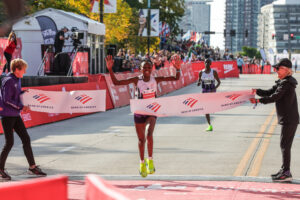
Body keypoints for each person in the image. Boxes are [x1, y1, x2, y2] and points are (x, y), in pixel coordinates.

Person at [106, 54, 181, 178]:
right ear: (140, 69)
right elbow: (116, 82)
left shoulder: (155, 79)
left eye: (148, 67)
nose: (146, 69)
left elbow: (175, 78)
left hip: (151, 111)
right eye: (144, 67)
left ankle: (150, 160)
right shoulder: (137, 80)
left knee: (149, 134)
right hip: (139, 111)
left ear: (152, 69)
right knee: (141, 140)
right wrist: (110, 69)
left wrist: (178, 68)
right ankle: (142, 163)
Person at [250, 58, 299, 182]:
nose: (276, 70)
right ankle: (284, 170)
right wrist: (257, 91)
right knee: (284, 145)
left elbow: (275, 97)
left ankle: (286, 172)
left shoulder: (286, 84)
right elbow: (269, 92)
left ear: (285, 70)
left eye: (278, 69)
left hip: (289, 119)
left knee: (285, 146)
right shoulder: (283, 82)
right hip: (289, 118)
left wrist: (258, 100)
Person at [0, 59, 47, 180]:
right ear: (16, 69)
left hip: (15, 114)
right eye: (23, 69)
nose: (25, 71)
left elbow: (15, 94)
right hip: (7, 116)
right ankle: (0, 169)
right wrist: (21, 106)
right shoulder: (9, 80)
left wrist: (23, 93)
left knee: (26, 139)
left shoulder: (17, 79)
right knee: (9, 143)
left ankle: (32, 167)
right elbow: (7, 99)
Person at [197, 58, 221, 131]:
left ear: (210, 63)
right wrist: (198, 83)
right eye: (205, 62)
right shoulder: (201, 72)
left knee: (209, 107)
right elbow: (199, 82)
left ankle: (213, 107)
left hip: (212, 92)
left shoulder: (214, 72)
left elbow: (219, 82)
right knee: (205, 109)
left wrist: (215, 88)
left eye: (208, 62)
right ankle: (209, 125)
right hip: (204, 92)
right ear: (204, 63)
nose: (207, 63)